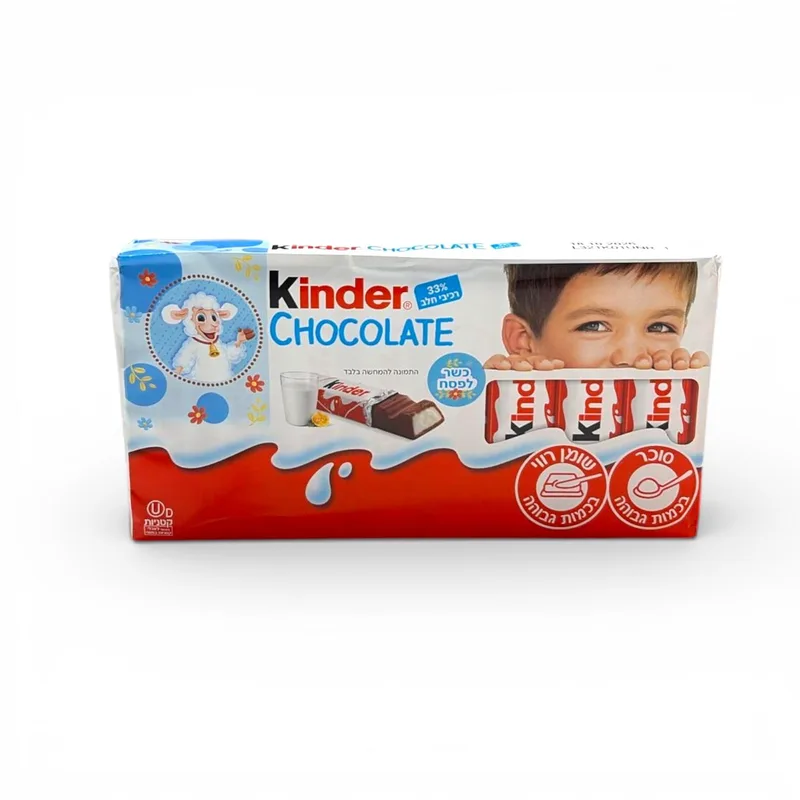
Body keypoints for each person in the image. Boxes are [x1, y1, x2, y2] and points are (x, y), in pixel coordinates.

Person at [483, 262, 710, 371]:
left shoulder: (682, 402)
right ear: (523, 340)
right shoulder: (503, 400)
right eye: (594, 326)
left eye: (659, 327)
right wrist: (491, 398)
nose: (630, 357)